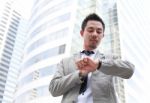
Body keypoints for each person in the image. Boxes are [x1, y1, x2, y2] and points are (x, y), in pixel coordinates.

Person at [49, 13, 134, 103]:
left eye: (99, 31)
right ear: (82, 33)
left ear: (103, 36)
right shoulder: (65, 62)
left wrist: (99, 65)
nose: (94, 34)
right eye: (90, 30)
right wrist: (80, 74)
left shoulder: (110, 58)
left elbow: (129, 70)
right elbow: (53, 89)